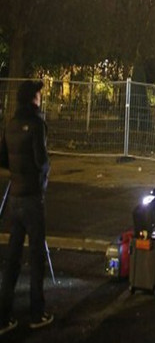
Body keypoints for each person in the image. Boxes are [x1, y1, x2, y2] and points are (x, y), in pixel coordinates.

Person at [0, 80, 53, 334]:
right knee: (36, 255)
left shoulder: (9, 125)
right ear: (34, 98)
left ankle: (4, 315)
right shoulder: (37, 124)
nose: (41, 98)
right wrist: (41, 181)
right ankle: (36, 311)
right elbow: (41, 161)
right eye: (39, 95)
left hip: (15, 196)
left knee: (12, 257)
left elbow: (3, 158)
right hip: (32, 197)